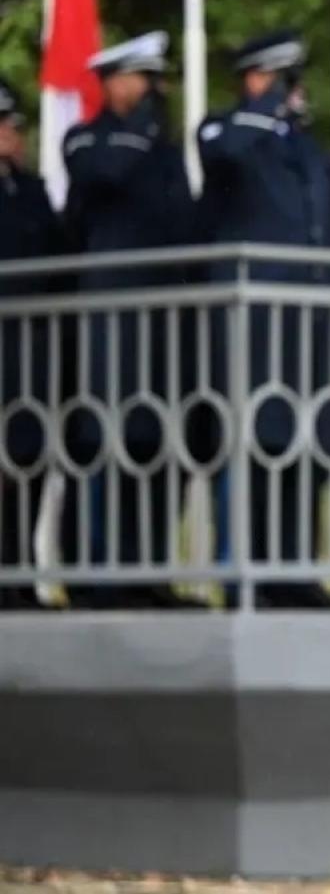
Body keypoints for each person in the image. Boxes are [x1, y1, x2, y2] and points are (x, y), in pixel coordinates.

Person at [198, 29, 330, 609]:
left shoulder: (300, 147)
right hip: (252, 325)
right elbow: (222, 151)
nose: (295, 93)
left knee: (299, 446)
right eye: (284, 80)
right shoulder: (230, 128)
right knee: (250, 443)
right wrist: (265, 107)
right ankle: (243, 574)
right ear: (256, 79)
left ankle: (293, 570)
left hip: (304, 325)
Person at [62, 32, 206, 610]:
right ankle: (96, 575)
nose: (150, 94)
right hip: (109, 317)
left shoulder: (160, 147)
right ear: (114, 82)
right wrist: (145, 128)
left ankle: (147, 569)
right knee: (104, 441)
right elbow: (109, 174)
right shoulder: (87, 139)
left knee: (154, 444)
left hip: (162, 320)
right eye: (141, 82)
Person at [0, 77, 72, 611]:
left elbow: (53, 249)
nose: (14, 136)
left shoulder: (27, 189)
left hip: (30, 349)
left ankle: (20, 574)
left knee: (28, 461)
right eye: (6, 126)